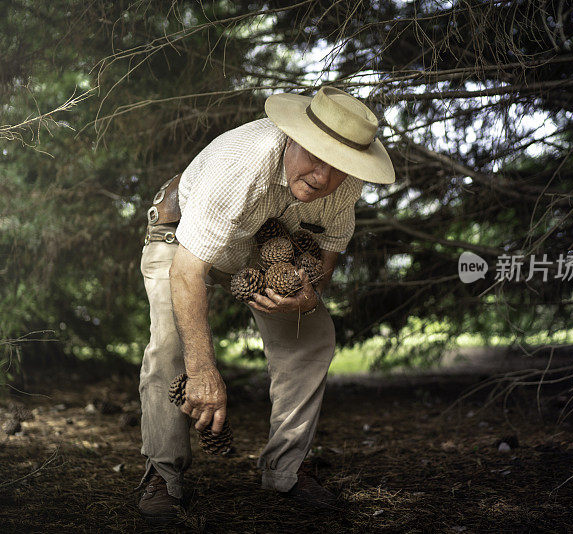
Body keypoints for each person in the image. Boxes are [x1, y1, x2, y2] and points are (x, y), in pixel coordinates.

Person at [135, 86, 395, 522]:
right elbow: (186, 273)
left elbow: (326, 259)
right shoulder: (241, 164)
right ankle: (162, 475)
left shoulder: (346, 183)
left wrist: (307, 294)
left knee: (313, 334)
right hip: (183, 242)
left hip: (260, 249)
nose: (323, 177)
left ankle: (286, 469)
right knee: (171, 346)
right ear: (292, 137)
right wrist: (203, 371)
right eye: (315, 156)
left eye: (339, 166)